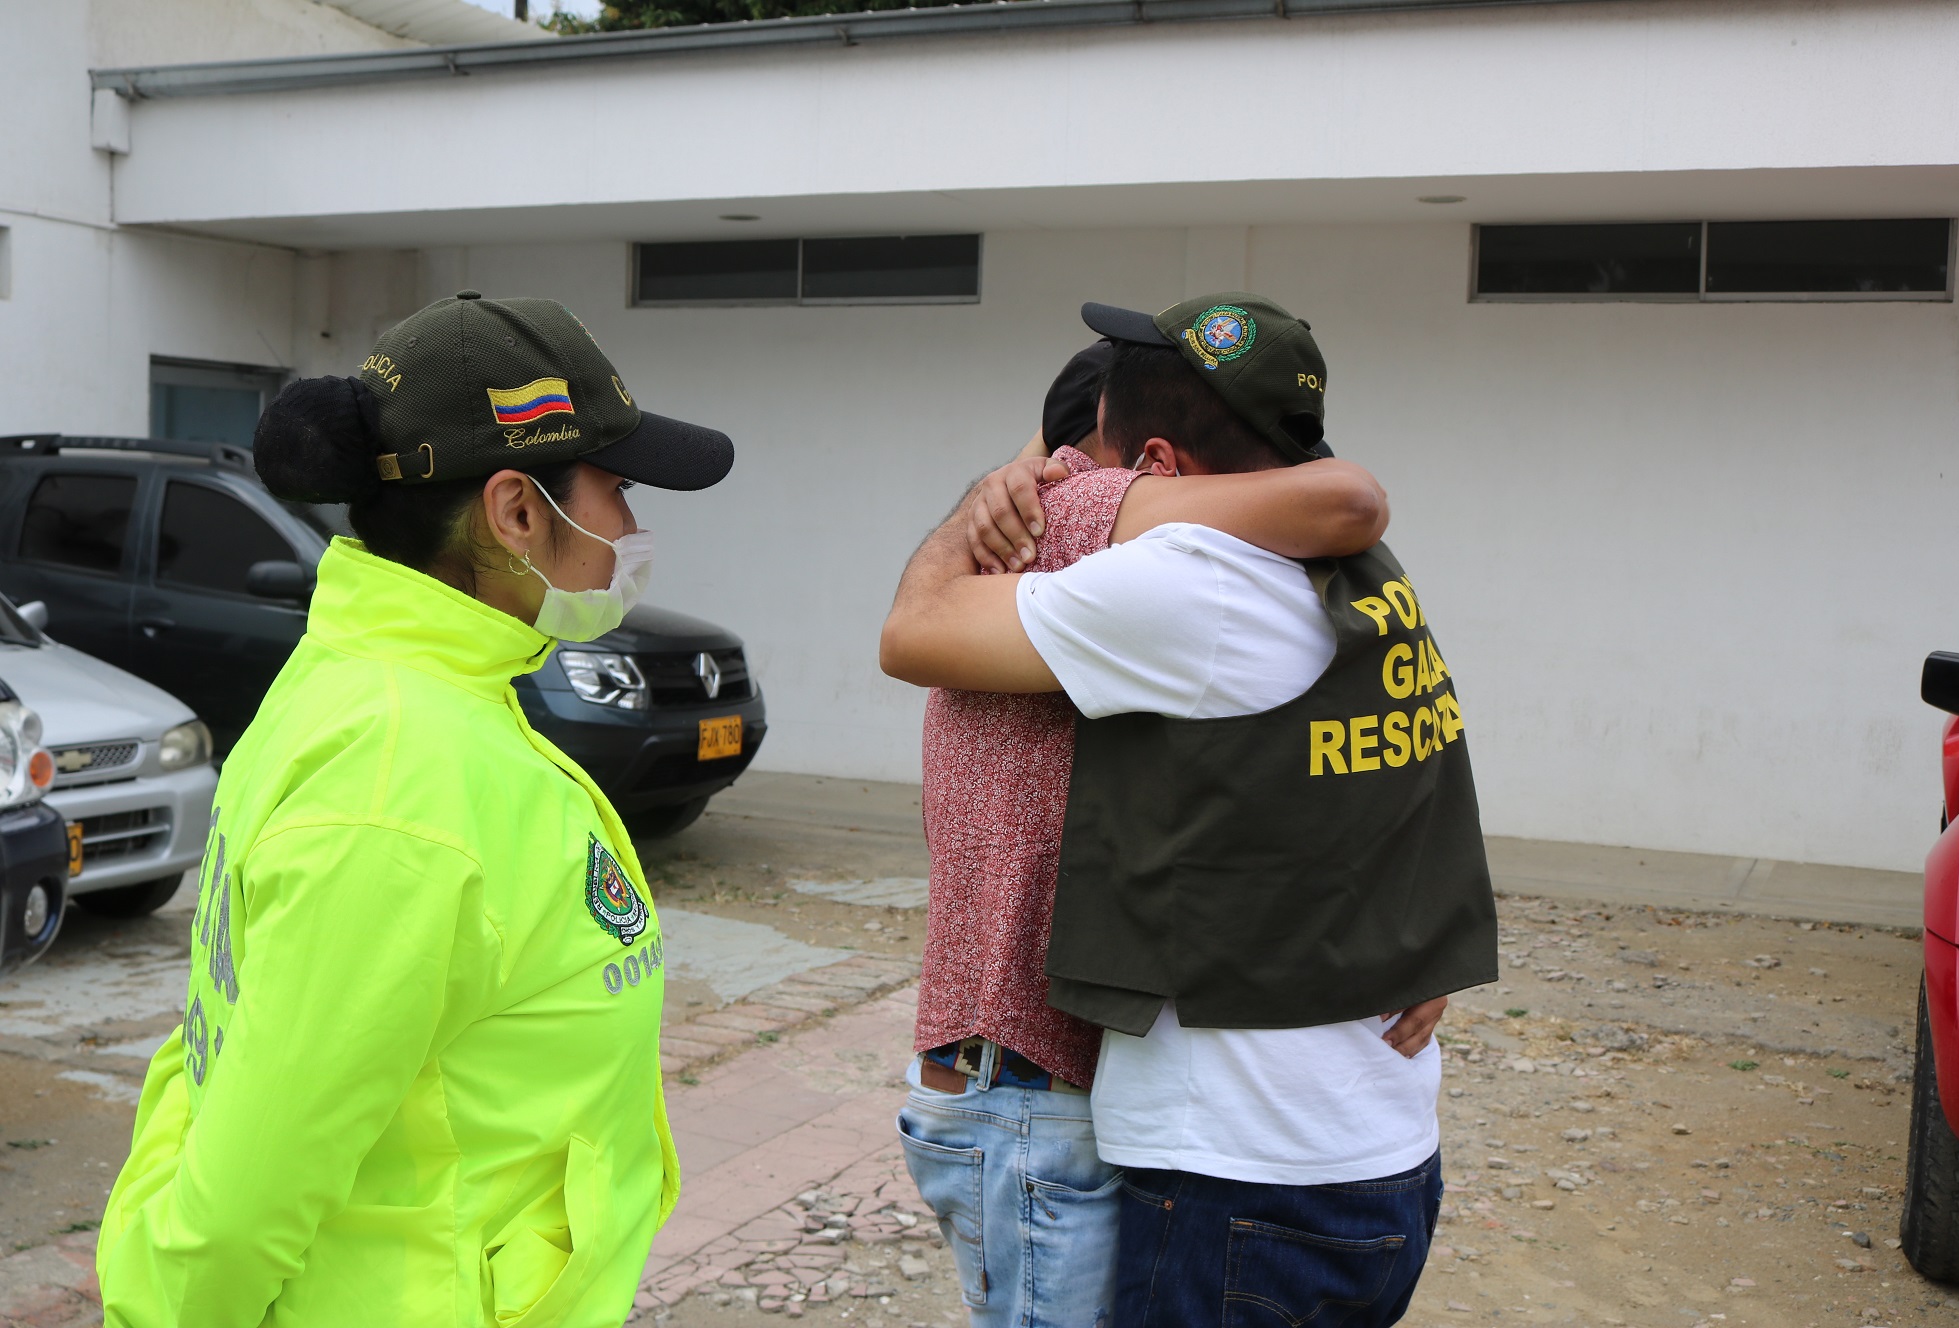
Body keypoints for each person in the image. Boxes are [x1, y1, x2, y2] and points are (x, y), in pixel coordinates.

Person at [96, 291, 733, 1328]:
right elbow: (248, 1188)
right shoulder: (399, 779)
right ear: (517, 510)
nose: (633, 526)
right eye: (616, 489)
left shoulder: (409, 683)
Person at [882, 292, 1498, 1328]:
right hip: (1375, 1149)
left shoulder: (1184, 571)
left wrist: (1020, 477)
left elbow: (914, 627)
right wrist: (1419, 937)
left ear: (1152, 465)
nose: (1067, 489)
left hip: (1239, 1166)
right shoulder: (1355, 579)